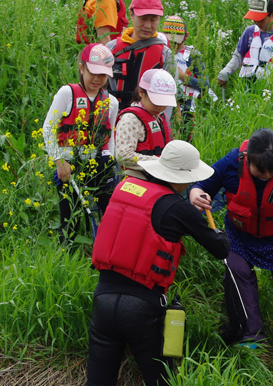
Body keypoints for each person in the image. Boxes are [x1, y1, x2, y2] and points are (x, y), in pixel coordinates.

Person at [68, 140, 230, 386]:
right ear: (183, 178)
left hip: (104, 299)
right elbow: (219, 248)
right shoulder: (178, 208)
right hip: (142, 308)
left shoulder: (123, 187)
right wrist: (209, 219)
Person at [189, 128, 273, 356]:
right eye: (260, 171)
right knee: (237, 272)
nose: (266, 176)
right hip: (241, 238)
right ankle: (250, 335)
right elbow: (202, 186)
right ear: (248, 159)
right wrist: (195, 193)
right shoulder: (232, 162)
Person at [43, 43, 119, 245]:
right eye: (92, 72)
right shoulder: (66, 94)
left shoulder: (111, 102)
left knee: (110, 209)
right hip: (68, 163)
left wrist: (111, 161)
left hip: (97, 163)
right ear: (81, 67)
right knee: (70, 219)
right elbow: (48, 129)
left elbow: (109, 137)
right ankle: (66, 254)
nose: (97, 79)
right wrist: (59, 162)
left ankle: (107, 248)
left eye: (103, 75)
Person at [106, 0, 173, 111]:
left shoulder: (165, 55)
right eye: (143, 18)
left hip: (147, 122)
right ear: (131, 15)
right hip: (112, 118)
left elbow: (168, 100)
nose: (147, 25)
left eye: (153, 20)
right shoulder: (111, 48)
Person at [114, 69, 176, 171]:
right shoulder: (130, 119)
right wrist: (158, 162)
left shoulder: (160, 117)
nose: (161, 107)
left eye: (164, 102)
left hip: (160, 174)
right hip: (138, 177)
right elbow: (123, 155)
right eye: (156, 101)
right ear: (141, 92)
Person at [161, 14, 211, 141]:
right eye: (169, 42)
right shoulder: (161, 52)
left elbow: (205, 84)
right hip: (163, 100)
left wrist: (183, 76)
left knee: (185, 136)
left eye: (177, 42)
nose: (172, 46)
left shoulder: (193, 55)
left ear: (186, 36)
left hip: (187, 103)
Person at [218, 0, 273, 87]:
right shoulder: (249, 31)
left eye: (261, 19)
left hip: (268, 86)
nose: (257, 22)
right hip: (246, 84)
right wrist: (225, 72)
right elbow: (238, 56)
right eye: (255, 19)